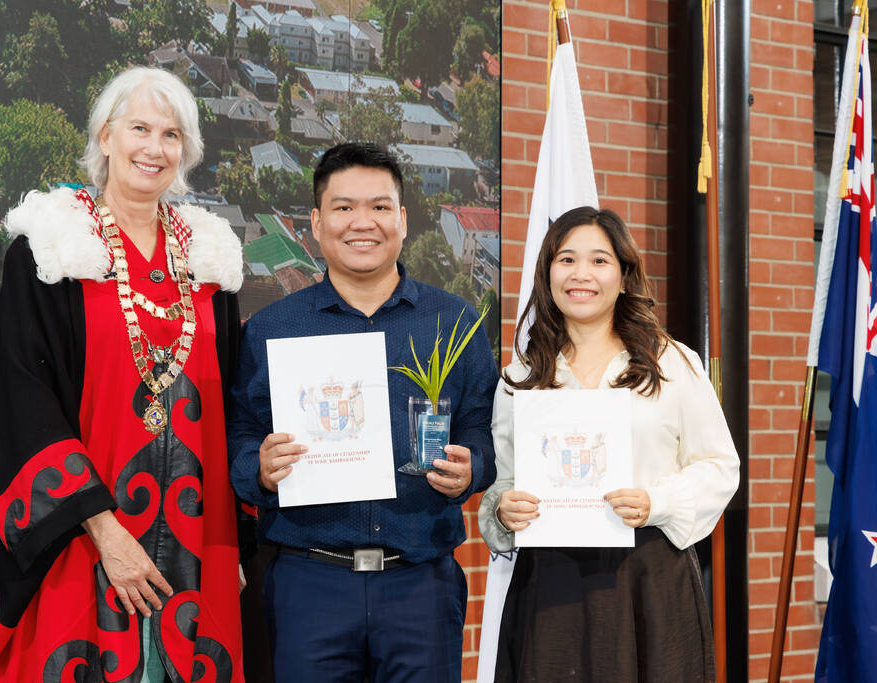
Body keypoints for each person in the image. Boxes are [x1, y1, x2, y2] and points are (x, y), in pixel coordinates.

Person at [0, 66, 247, 683]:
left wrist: (236, 533)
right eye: (140, 128)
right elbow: (23, 396)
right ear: (104, 136)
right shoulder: (52, 249)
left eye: (172, 135)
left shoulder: (209, 259)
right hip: (83, 539)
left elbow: (232, 401)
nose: (155, 148)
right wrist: (103, 529)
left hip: (195, 538)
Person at [227, 142, 499, 682]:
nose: (362, 222)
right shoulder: (271, 329)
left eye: (379, 207)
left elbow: (482, 427)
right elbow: (239, 433)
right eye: (344, 207)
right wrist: (258, 466)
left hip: (420, 582)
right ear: (316, 220)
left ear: (401, 218)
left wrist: (474, 469)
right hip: (310, 583)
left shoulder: (454, 322)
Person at [478, 207, 740, 682]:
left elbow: (720, 466)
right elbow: (505, 482)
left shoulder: (672, 363)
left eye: (599, 261)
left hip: (649, 579)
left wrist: (655, 502)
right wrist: (503, 510)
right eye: (566, 260)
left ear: (623, 276)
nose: (581, 275)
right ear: (547, 274)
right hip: (550, 586)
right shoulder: (520, 377)